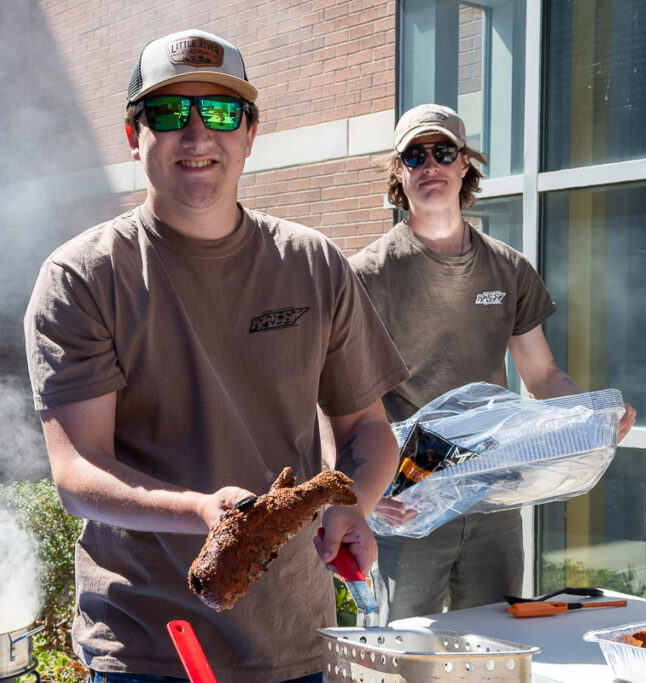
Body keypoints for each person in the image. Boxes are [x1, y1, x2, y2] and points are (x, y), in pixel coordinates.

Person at [23, 29, 409, 683]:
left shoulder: (313, 264)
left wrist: (354, 504)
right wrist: (202, 510)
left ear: (250, 133)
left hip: (297, 643)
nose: (198, 134)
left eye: (223, 112)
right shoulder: (82, 276)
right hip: (147, 648)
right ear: (133, 134)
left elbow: (368, 429)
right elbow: (77, 470)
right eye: (171, 113)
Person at [347, 103, 637, 625]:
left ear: (465, 166)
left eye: (444, 152)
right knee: (403, 648)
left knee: (495, 644)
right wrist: (356, 486)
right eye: (415, 155)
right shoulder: (365, 275)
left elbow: (542, 376)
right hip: (407, 495)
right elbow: (334, 396)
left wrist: (591, 420)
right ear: (398, 172)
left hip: (494, 488)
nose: (429, 164)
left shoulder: (508, 267)